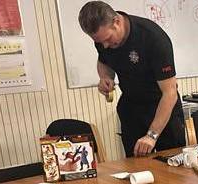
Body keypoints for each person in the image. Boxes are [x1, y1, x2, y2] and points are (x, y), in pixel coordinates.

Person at [79, 1, 185, 157]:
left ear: (116, 22)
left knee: (172, 164)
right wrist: (105, 77)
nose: (105, 45)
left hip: (162, 107)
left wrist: (151, 136)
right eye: (99, 42)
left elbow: (169, 93)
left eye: (107, 39)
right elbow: (103, 60)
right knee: (135, 165)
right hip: (132, 107)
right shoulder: (103, 40)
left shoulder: (153, 38)